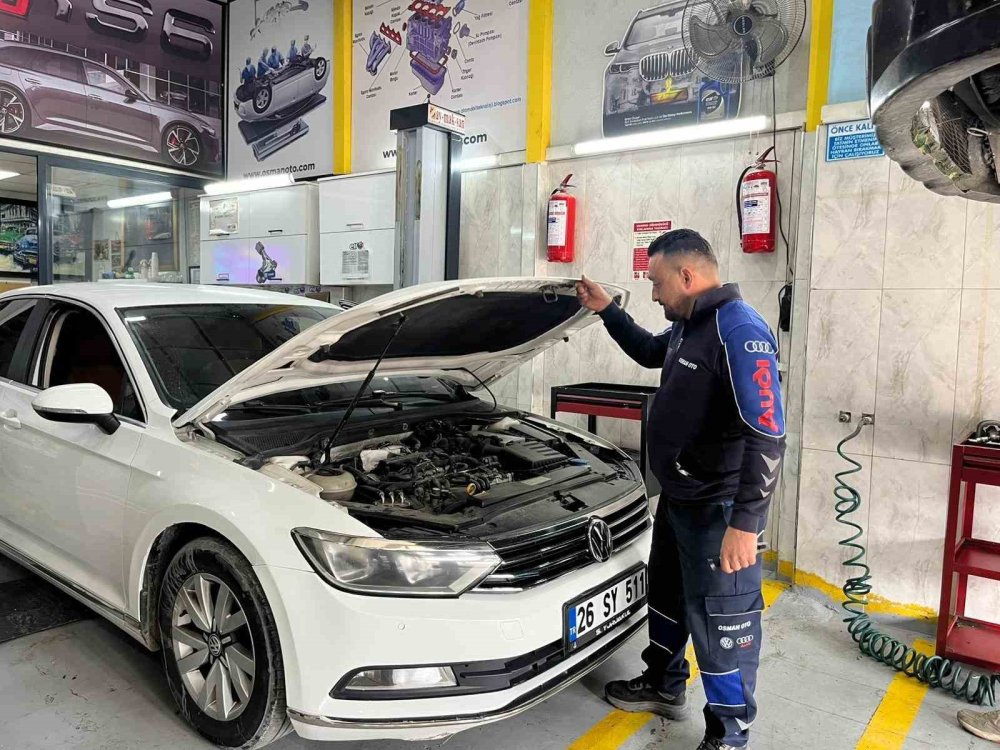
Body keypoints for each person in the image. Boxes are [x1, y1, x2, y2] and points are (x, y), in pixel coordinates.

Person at [576, 228, 785, 750]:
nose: (652, 293)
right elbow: (649, 351)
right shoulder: (691, 323)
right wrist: (606, 309)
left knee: (724, 624)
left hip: (718, 510)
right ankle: (663, 685)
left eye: (656, 282)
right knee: (666, 597)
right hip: (678, 501)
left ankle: (729, 733)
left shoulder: (739, 331)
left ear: (687, 275)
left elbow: (767, 434)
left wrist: (745, 524)